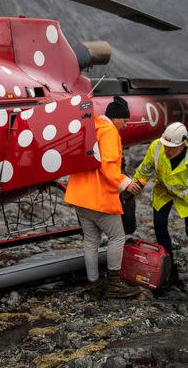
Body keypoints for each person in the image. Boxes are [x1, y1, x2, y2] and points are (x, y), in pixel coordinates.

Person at [127, 122, 188, 296]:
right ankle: (170, 272)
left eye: (171, 148)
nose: (166, 150)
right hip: (164, 191)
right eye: (165, 145)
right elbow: (145, 170)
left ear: (182, 144)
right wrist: (136, 185)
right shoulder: (157, 147)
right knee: (159, 224)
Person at [65, 96, 141, 299]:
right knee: (117, 237)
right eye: (125, 121)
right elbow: (108, 167)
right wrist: (126, 183)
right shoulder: (109, 132)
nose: (125, 126)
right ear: (116, 119)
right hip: (98, 198)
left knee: (91, 241)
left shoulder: (91, 127)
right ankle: (114, 285)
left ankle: (94, 285)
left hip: (80, 196)